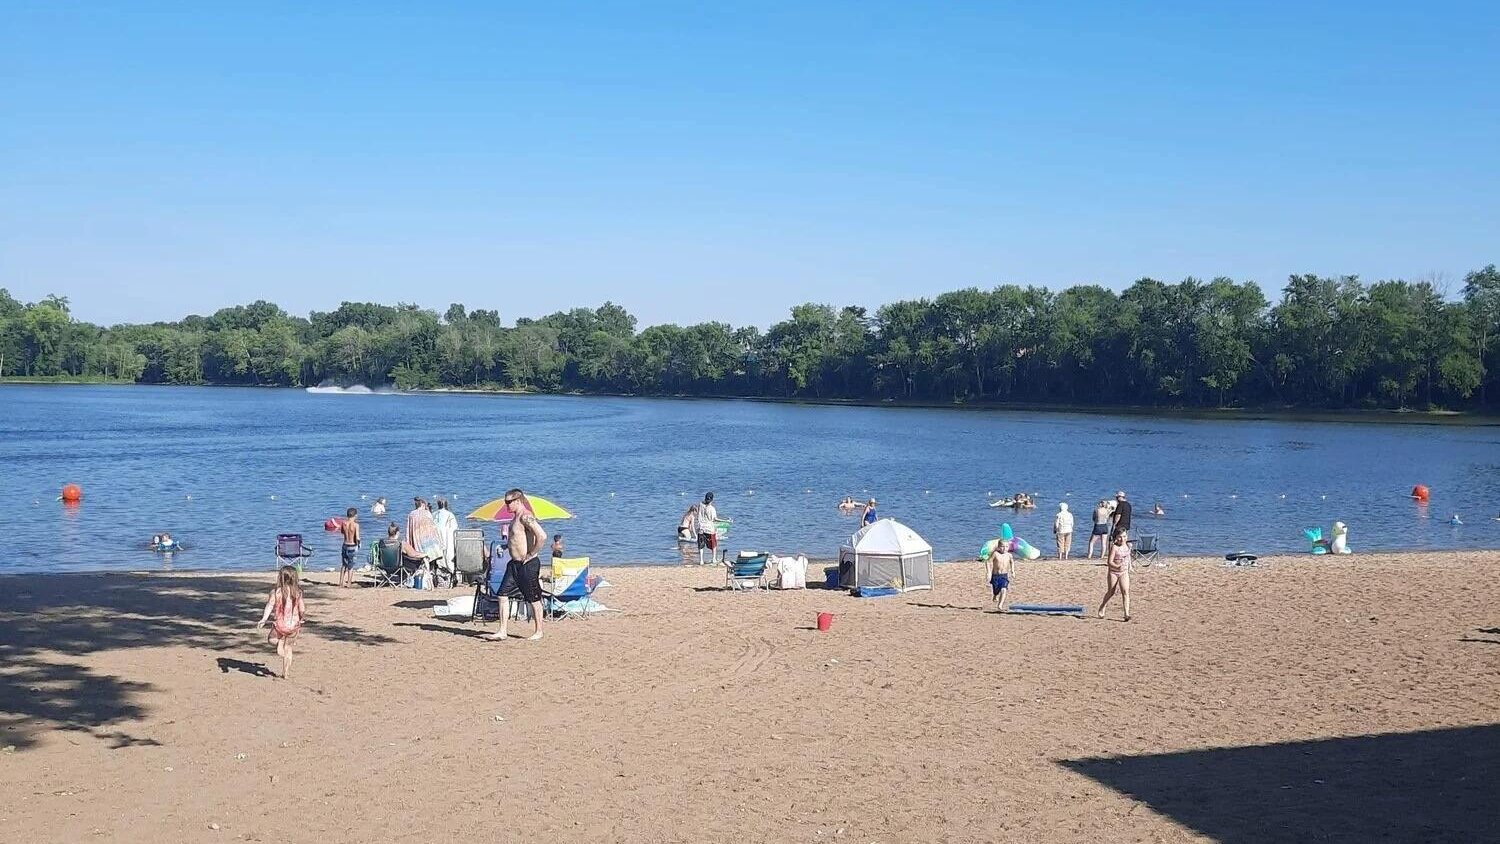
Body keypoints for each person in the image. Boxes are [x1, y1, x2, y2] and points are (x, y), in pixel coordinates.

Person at [490, 489, 547, 642]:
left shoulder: (526, 516)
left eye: (508, 502)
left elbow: (542, 536)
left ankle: (539, 631)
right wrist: (505, 547)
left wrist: (531, 554)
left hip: (527, 564)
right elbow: (517, 539)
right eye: (505, 502)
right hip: (513, 564)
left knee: (533, 598)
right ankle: (502, 631)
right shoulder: (514, 518)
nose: (506, 505)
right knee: (502, 594)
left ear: (518, 501)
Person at [256, 565, 305, 679]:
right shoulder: (298, 592)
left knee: (271, 639)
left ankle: (279, 644)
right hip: (294, 625)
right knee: (288, 647)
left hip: (280, 625)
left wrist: (264, 619)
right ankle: (286, 672)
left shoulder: (276, 592)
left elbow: (269, 606)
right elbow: (302, 608)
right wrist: (302, 617)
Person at [1097, 529, 1131, 622]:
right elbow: (1109, 562)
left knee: (1125, 591)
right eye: (1120, 536)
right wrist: (1117, 566)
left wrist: (1130, 567)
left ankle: (1126, 614)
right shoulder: (1114, 547)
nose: (1122, 539)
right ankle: (1103, 606)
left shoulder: (1127, 546)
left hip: (1124, 572)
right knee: (1111, 592)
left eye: (1124, 536)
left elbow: (1128, 557)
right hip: (1113, 572)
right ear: (1116, 537)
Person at [432, 498, 459, 582]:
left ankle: (438, 572)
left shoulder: (434, 515)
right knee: (449, 554)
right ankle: (451, 574)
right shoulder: (450, 515)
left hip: (436, 542)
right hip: (448, 540)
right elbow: (455, 529)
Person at [692, 492, 720, 564]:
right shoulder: (712, 509)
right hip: (709, 529)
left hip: (700, 528)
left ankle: (701, 560)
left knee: (701, 545)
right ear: (712, 500)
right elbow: (714, 519)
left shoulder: (700, 504)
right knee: (714, 545)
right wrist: (726, 520)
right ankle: (714, 559)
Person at [988, 538, 1014, 612]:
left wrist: (1012, 570)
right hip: (995, 576)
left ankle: (1000, 605)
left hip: (1004, 576)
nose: (1004, 548)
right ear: (999, 547)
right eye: (1002, 546)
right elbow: (988, 561)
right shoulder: (995, 554)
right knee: (996, 590)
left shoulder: (1009, 555)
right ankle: (995, 595)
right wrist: (988, 572)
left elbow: (1012, 562)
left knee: (1004, 589)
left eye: (1006, 546)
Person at [339, 507, 361, 588]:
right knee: (350, 566)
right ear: (355, 516)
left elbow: (342, 532)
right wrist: (359, 544)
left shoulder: (343, 523)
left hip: (345, 544)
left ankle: (340, 583)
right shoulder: (356, 525)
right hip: (352, 545)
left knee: (344, 565)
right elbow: (358, 537)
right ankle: (348, 583)